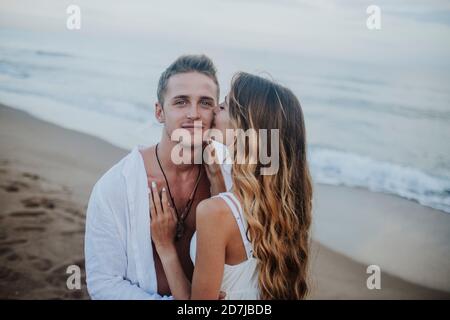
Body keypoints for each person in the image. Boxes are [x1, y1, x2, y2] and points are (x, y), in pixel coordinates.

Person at [150, 72, 313, 299]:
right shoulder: (286, 211)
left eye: (225, 106)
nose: (214, 108)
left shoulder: (214, 213)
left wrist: (165, 247)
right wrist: (217, 181)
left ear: (244, 129)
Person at [84, 54, 224, 299]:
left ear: (216, 112)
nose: (194, 113)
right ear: (159, 112)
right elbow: (103, 283)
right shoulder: (115, 186)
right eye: (181, 102)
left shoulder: (230, 178)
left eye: (205, 103)